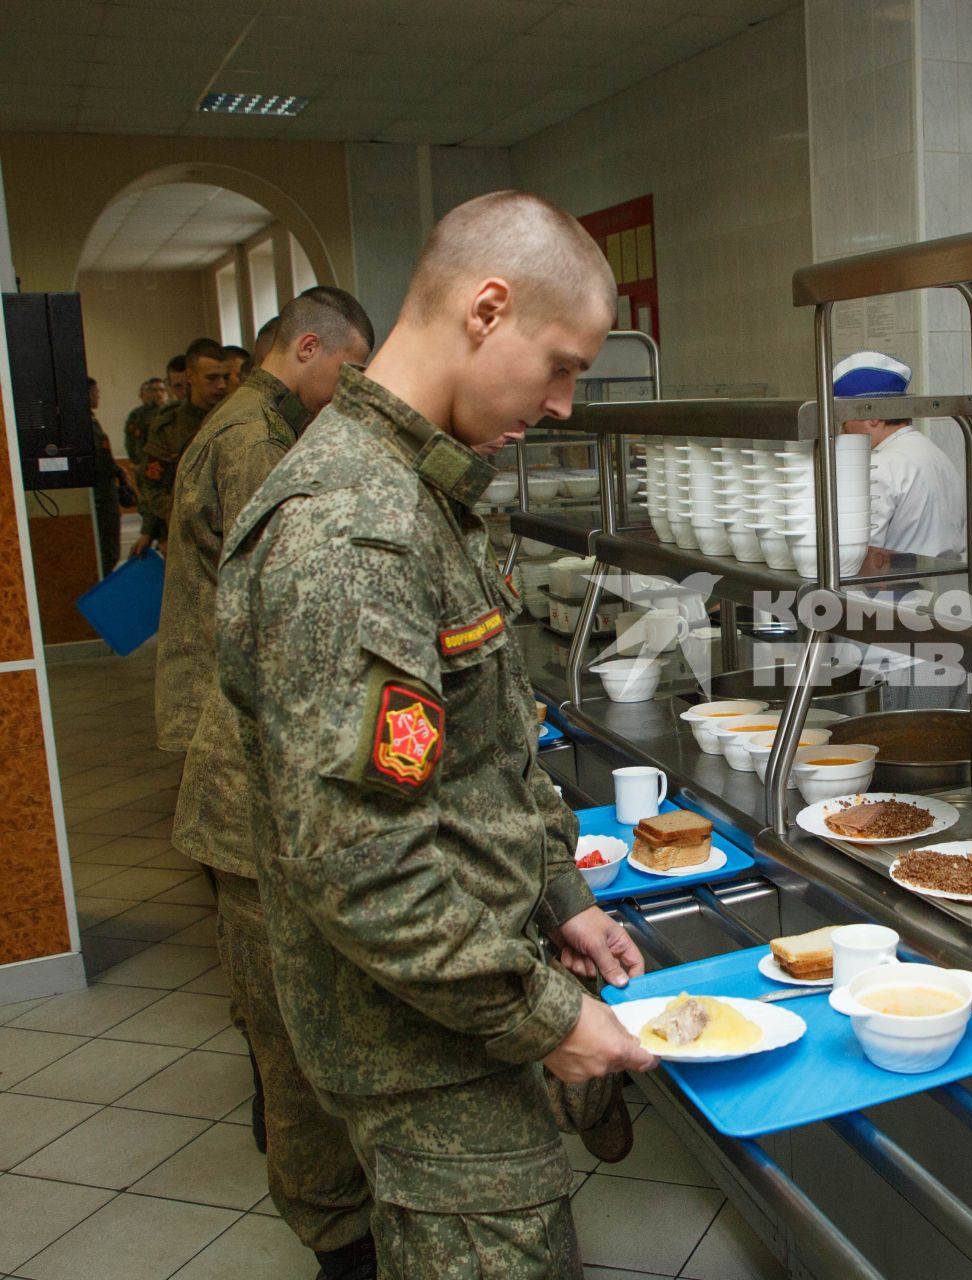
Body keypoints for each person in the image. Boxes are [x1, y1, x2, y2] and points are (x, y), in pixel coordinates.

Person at [216, 191, 652, 1277]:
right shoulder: (351, 532)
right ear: (486, 307)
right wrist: (551, 1015)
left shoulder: (431, 495)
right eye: (557, 365)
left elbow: (481, 756)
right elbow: (365, 867)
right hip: (421, 1037)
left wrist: (563, 895)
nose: (559, 404)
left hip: (465, 992)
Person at [157, 286, 378, 1278]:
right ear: (308, 347)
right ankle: (338, 1235)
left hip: (238, 741)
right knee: (289, 1025)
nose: (354, 390)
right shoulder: (256, 440)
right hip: (246, 772)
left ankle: (314, 1177)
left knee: (273, 1015)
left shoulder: (249, 421)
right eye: (350, 369)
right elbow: (290, 599)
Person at [836, 351, 963, 557]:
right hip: (951, 581)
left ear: (873, 416)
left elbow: (862, 554)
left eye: (845, 419)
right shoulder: (937, 455)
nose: (843, 431)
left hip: (901, 586)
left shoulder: (879, 467)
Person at [131, 337, 230, 556]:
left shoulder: (237, 419)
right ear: (190, 377)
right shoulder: (169, 428)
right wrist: (182, 519)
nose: (221, 385)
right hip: (187, 539)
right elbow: (153, 488)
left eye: (225, 377)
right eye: (212, 378)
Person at [85, 378, 132, 577]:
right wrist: (118, 471)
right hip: (101, 497)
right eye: (95, 393)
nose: (97, 397)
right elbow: (100, 460)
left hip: (107, 492)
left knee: (111, 550)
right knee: (107, 550)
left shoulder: (92, 421)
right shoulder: (84, 425)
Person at [123, 375, 166, 469]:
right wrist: (134, 461)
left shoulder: (172, 411)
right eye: (154, 390)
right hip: (146, 463)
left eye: (162, 390)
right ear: (149, 393)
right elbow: (130, 440)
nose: (159, 393)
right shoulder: (139, 415)